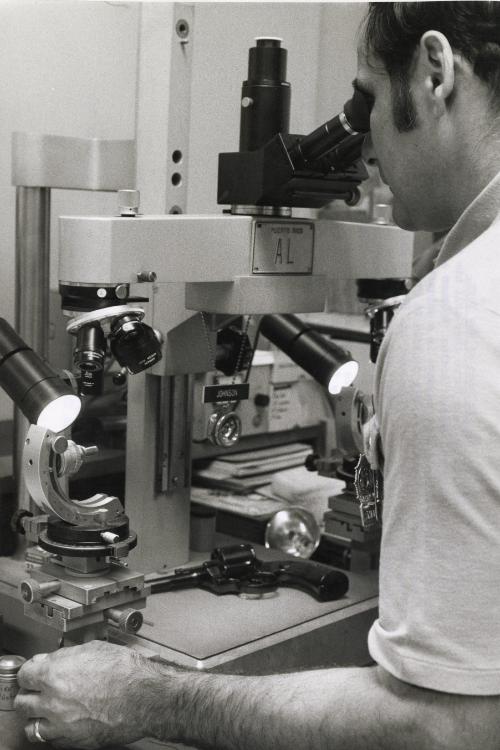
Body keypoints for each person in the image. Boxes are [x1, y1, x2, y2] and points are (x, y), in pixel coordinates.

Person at [14, 2, 500, 748]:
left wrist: (151, 700)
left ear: (435, 73)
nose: (362, 138)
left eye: (366, 99)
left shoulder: (456, 318)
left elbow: (444, 725)